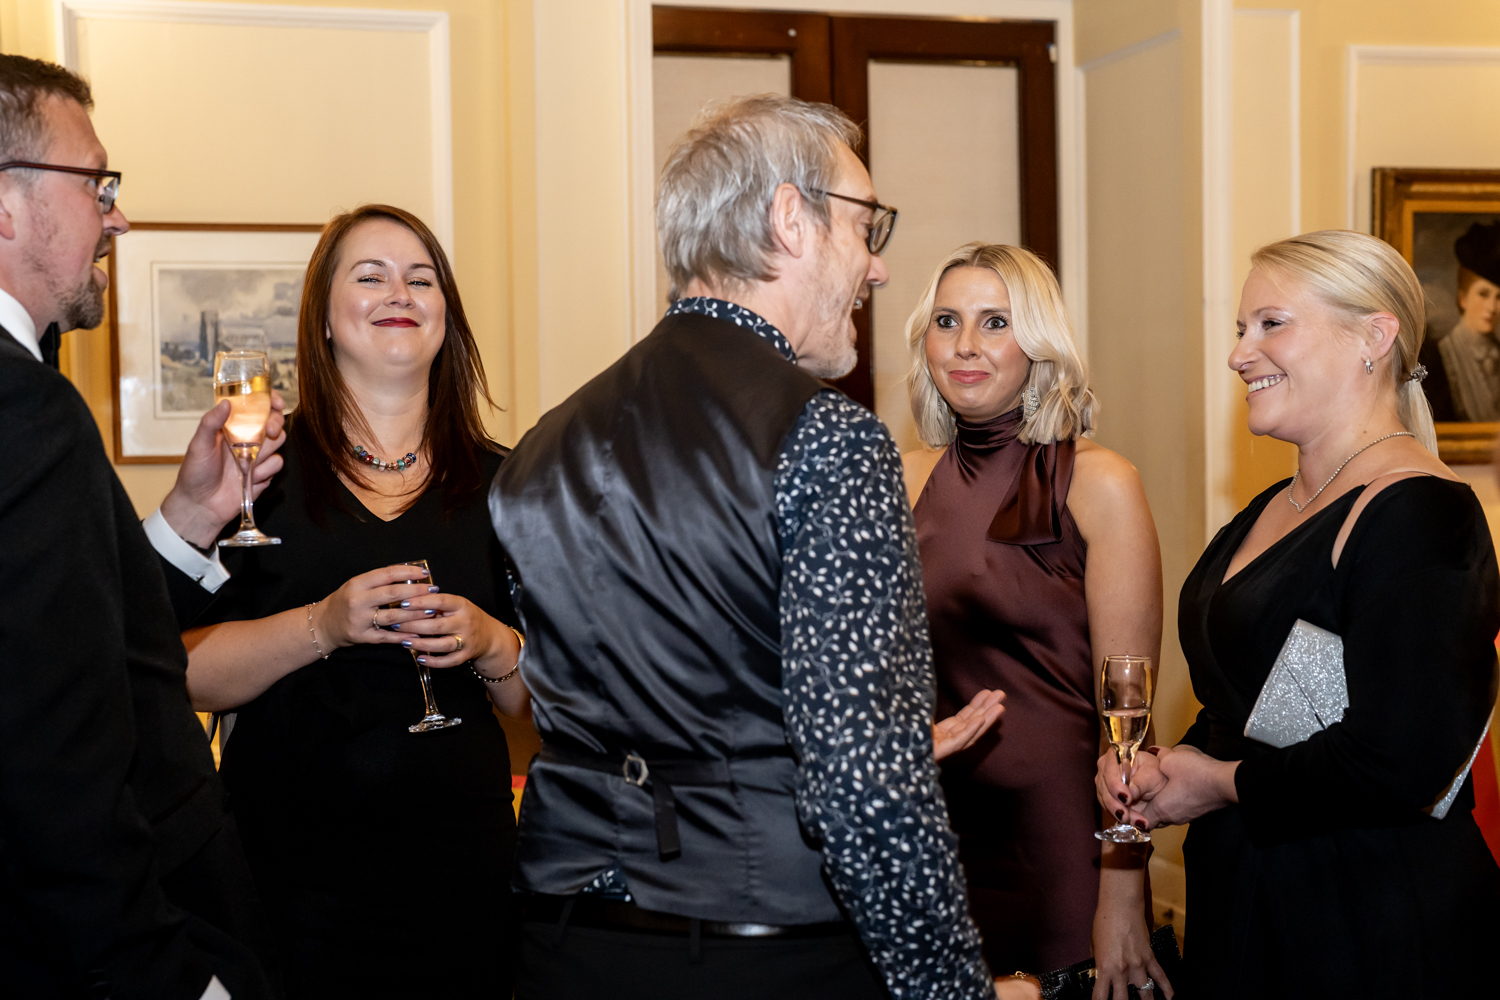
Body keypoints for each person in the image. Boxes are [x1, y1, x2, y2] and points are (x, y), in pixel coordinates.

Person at [490, 95, 1022, 1000]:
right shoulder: (828, 440)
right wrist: (952, 990)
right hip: (759, 944)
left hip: (561, 937)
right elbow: (861, 784)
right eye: (864, 226)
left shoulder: (542, 446)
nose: (879, 266)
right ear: (790, 219)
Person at [1104, 230, 1500, 997]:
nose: (1238, 354)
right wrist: (1166, 770)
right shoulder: (1270, 507)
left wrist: (1219, 783)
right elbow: (1252, 706)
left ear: (1374, 337)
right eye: (1241, 329)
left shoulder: (1422, 513)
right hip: (1248, 898)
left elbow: (1403, 759)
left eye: (1271, 324)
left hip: (1366, 920)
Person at [155, 204, 526, 999]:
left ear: (447, 318)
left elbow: (545, 703)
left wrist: (493, 641)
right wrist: (321, 626)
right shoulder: (254, 481)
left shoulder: (510, 485)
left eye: (421, 279)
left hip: (466, 887)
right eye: (371, 276)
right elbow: (179, 672)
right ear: (322, 319)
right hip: (291, 894)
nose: (400, 293)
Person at [0, 54, 277, 999]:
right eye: (97, 183)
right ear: (7, 203)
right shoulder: (25, 408)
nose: (118, 217)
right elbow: (57, 764)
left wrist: (191, 517)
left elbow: (66, 639)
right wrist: (172, 979)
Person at [901, 243, 1168, 999]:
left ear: (1040, 344)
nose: (965, 344)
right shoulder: (901, 479)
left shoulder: (1100, 483)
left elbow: (1130, 721)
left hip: (1063, 841)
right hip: (936, 830)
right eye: (947, 321)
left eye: (996, 322)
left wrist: (1123, 889)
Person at [1431, 220, 1500, 421]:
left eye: (1499, 297)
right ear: (1463, 298)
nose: (1492, 307)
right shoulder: (1440, 360)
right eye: (1483, 294)